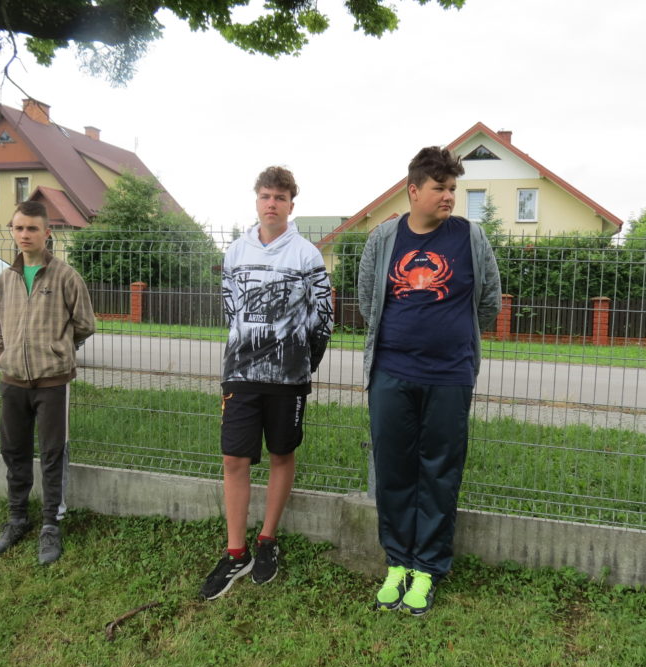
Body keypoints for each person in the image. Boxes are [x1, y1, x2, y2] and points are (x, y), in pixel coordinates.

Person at [357, 146, 501, 615]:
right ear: (414, 190)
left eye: (453, 188)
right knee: (394, 470)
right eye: (440, 188)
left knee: (440, 472)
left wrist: (452, 338)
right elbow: (367, 298)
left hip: (450, 376)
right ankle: (397, 561)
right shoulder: (383, 238)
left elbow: (490, 301)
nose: (449, 196)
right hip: (391, 374)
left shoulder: (470, 237)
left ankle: (427, 568)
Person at [200, 166, 334, 600]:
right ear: (256, 200)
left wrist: (302, 362)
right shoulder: (236, 252)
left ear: (292, 204)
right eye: (265, 196)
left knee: (281, 454)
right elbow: (231, 310)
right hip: (241, 373)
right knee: (233, 459)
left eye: (280, 197)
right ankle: (235, 552)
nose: (272, 203)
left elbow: (324, 318)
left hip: (288, 377)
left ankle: (267, 540)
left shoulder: (307, 256)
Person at [0, 200, 96, 565]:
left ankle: (50, 525)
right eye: (19, 228)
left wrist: (57, 349)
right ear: (12, 231)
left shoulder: (65, 276)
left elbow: (85, 323)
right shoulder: (6, 279)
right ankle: (17, 518)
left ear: (47, 232)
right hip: (13, 381)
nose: (25, 234)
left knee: (52, 453)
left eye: (32, 228)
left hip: (52, 383)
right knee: (14, 450)